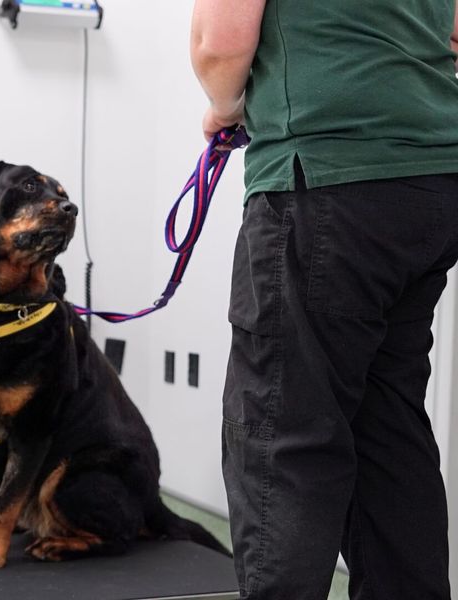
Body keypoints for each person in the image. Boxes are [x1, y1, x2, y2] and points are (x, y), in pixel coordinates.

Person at [190, 2, 458, 599]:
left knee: (282, 432)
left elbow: (222, 42)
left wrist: (226, 108)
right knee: (388, 428)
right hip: (432, 179)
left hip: (325, 181)